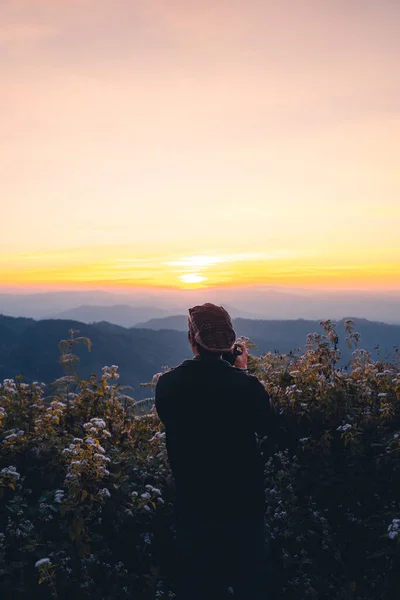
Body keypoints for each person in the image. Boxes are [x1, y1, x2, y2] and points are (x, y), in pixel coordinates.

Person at [155, 303, 277, 600]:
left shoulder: (169, 385)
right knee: (251, 584)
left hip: (194, 504)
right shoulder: (246, 388)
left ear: (192, 339)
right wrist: (242, 372)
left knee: (200, 586)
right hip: (243, 504)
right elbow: (270, 427)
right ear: (229, 344)